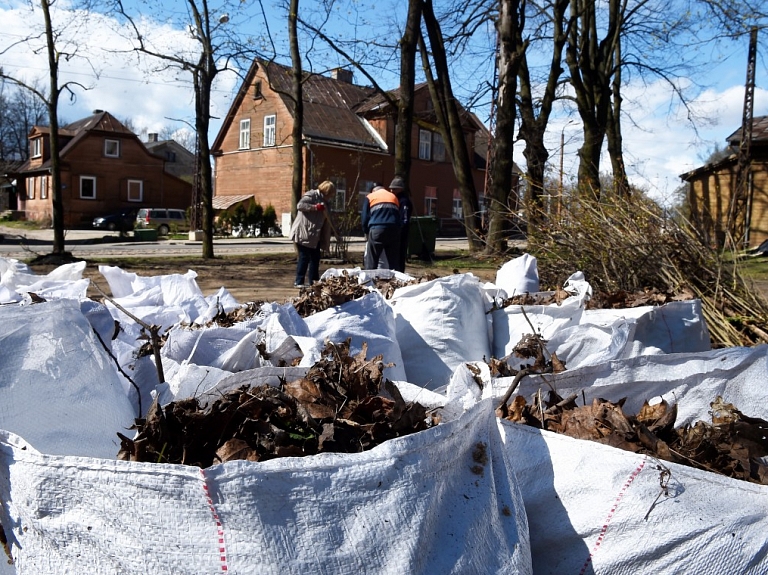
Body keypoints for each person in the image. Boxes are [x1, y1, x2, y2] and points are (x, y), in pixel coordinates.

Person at [289, 180, 336, 286]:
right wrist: (315, 207)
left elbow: (327, 219)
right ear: (326, 191)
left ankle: (314, 282)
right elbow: (300, 205)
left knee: (315, 259)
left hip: (315, 235)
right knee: (304, 257)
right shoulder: (312, 195)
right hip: (303, 233)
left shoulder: (327, 202)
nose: (331, 197)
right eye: (330, 194)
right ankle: (299, 281)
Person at [361, 183, 400, 270]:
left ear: (373, 190)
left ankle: (369, 280)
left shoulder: (370, 197)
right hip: (394, 230)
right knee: (393, 261)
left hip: (377, 230)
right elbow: (398, 215)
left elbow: (364, 217)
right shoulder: (393, 197)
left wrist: (366, 232)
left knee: (372, 260)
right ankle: (397, 281)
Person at [389, 176, 412, 273]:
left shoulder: (404, 201)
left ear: (400, 189)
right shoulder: (395, 199)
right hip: (396, 231)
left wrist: (399, 231)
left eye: (394, 189)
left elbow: (404, 218)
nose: (391, 190)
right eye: (390, 188)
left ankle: (399, 273)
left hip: (401, 232)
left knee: (399, 255)